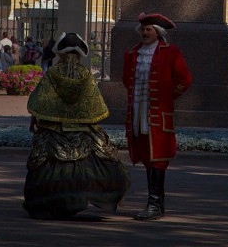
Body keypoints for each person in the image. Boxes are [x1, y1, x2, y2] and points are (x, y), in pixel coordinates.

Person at [24, 31, 130, 219]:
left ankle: (55, 201)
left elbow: (39, 102)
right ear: (81, 55)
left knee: (50, 168)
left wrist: (35, 119)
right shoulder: (85, 75)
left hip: (53, 130)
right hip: (83, 131)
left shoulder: (53, 74)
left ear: (60, 53)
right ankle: (85, 197)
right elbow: (95, 105)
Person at [122, 12, 192, 221]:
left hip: (159, 113)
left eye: (148, 29)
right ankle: (157, 204)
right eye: (142, 30)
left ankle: (154, 204)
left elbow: (184, 79)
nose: (144, 33)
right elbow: (127, 79)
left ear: (158, 32)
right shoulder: (133, 53)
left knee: (159, 158)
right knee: (146, 156)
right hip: (138, 112)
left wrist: (167, 97)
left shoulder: (170, 52)